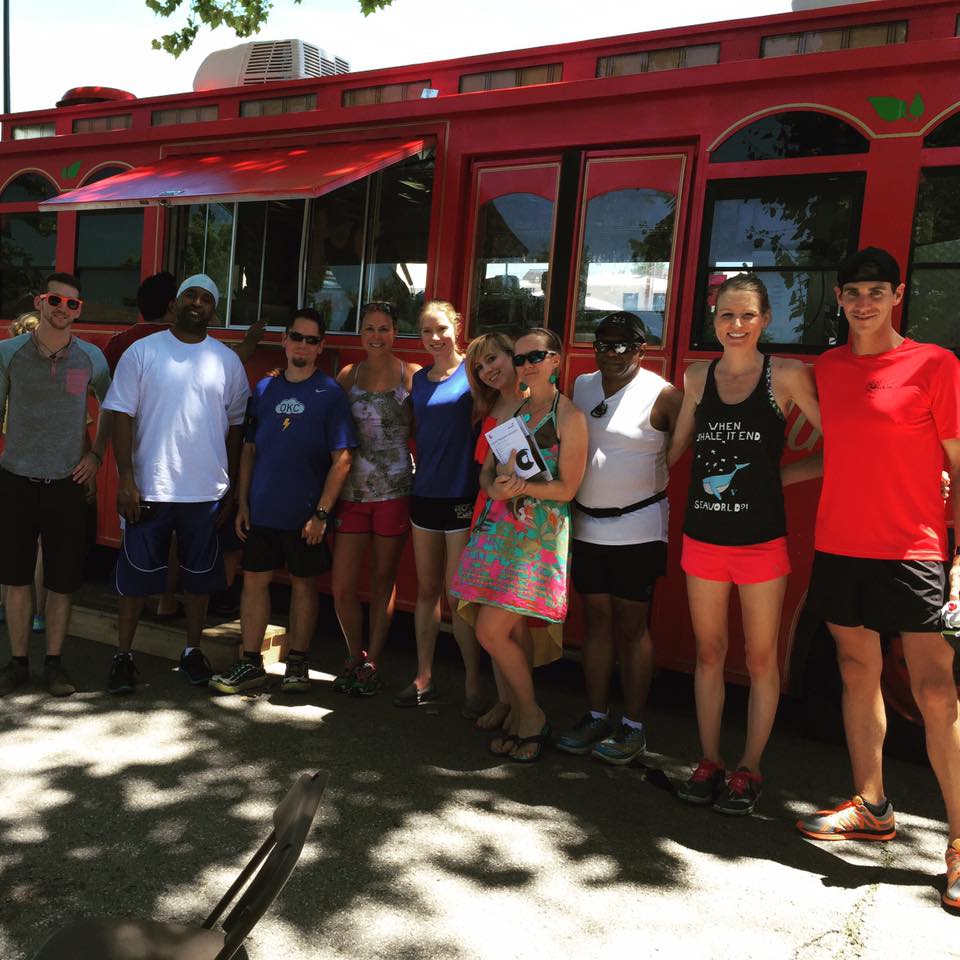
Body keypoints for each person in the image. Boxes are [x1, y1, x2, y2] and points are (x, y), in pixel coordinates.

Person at [794, 248, 960, 910]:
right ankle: (872, 806)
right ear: (840, 298)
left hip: (914, 550)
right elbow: (840, 443)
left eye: (876, 291)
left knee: (937, 691)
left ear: (897, 296)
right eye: (853, 291)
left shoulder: (935, 365)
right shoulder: (828, 369)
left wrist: (958, 554)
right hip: (839, 544)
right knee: (857, 671)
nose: (863, 302)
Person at [667, 273, 821, 815]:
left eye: (747, 315)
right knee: (709, 653)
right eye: (727, 315)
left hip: (761, 543)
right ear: (715, 320)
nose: (736, 325)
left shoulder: (787, 375)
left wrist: (779, 479)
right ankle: (709, 760)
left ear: (766, 321)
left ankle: (749, 768)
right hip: (703, 538)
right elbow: (675, 449)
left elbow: (836, 447)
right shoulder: (695, 377)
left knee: (760, 659)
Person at [101, 274, 250, 694]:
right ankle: (123, 657)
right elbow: (121, 415)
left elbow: (237, 427)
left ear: (214, 309)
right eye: (191, 295)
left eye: (206, 298)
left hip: (205, 492)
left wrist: (233, 486)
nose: (197, 302)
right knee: (135, 581)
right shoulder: (143, 352)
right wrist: (126, 480)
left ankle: (192, 652)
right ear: (175, 302)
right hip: (149, 488)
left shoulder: (226, 361)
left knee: (199, 579)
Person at [452, 327, 588, 762]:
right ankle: (523, 714)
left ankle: (530, 715)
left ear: (556, 361)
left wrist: (523, 488)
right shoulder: (514, 414)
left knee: (492, 628)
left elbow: (568, 489)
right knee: (500, 629)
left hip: (538, 541)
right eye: (523, 358)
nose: (528, 365)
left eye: (537, 357)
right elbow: (486, 475)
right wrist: (496, 490)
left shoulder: (570, 418)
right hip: (502, 533)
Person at [210, 308, 356, 695]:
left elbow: (342, 458)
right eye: (297, 337)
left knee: (303, 586)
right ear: (284, 340)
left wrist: (321, 513)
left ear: (321, 347)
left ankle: (298, 664)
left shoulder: (330, 394)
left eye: (312, 340)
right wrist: (242, 503)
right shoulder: (265, 389)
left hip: (306, 514)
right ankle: (250, 663)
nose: (303, 345)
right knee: (254, 582)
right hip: (261, 508)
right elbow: (249, 448)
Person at [557, 312, 682, 764]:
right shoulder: (583, 385)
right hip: (588, 524)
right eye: (603, 344)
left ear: (641, 349)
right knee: (595, 623)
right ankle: (595, 715)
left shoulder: (664, 395)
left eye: (621, 345)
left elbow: (685, 444)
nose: (610, 353)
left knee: (632, 627)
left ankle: (633, 727)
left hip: (639, 528)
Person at [0, 273, 110, 696]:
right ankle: (17, 663)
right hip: (14, 480)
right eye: (55, 300)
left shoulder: (91, 358)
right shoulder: (9, 353)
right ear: (39, 302)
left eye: (73, 304)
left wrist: (96, 454)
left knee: (62, 582)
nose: (63, 309)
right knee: (15, 578)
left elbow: (113, 408)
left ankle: (55, 665)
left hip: (66, 484)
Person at [394, 300, 484, 716]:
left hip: (463, 496)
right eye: (427, 331)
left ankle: (472, 683)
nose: (435, 338)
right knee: (427, 591)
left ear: (458, 326)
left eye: (442, 329)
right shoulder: (420, 381)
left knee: (458, 595)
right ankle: (424, 675)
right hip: (425, 494)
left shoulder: (475, 374)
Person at [330, 301, 420, 696]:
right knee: (343, 586)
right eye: (369, 328)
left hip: (395, 492)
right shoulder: (348, 376)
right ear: (360, 332)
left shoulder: (410, 375)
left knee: (383, 582)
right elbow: (327, 420)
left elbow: (425, 426)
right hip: (351, 492)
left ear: (394, 332)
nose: (376, 335)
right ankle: (353, 654)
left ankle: (372, 662)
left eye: (384, 328)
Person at [462, 331, 537, 733]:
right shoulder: (490, 409)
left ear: (514, 356)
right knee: (490, 616)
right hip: (488, 519)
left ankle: (524, 707)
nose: (489, 370)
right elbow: (482, 475)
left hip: (522, 523)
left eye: (494, 359)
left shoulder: (538, 402)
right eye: (480, 366)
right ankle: (506, 701)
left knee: (513, 622)